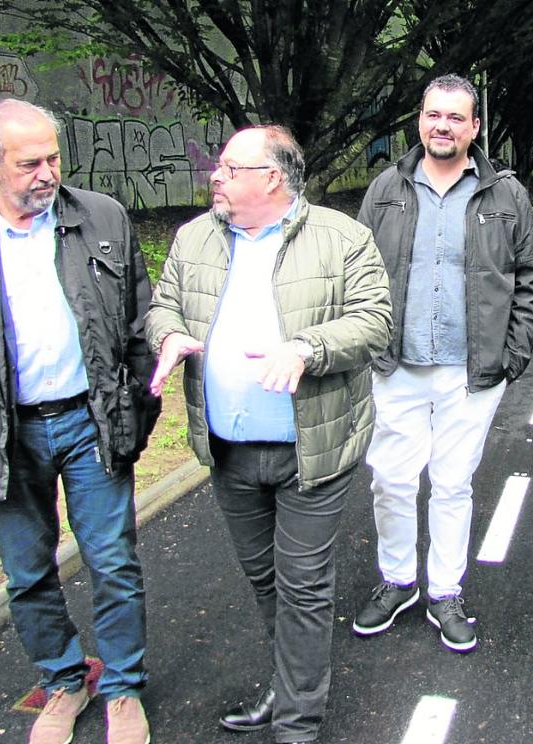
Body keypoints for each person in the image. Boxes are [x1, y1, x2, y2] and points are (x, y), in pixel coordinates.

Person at [0, 98, 160, 744]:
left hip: (91, 421)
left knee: (113, 561)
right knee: (26, 571)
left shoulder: (102, 218)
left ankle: (123, 688)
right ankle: (65, 681)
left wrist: (137, 410)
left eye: (53, 158)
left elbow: (141, 324)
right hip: (6, 435)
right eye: (29, 163)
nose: (47, 173)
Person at [145, 125, 391, 744]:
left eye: (231, 168)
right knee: (266, 581)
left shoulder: (342, 237)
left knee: (303, 588)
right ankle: (288, 686)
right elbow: (164, 303)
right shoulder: (194, 237)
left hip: (313, 450)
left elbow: (374, 322)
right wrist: (168, 334)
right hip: (227, 449)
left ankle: (297, 726)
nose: (216, 177)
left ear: (273, 178)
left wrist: (306, 347)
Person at [352, 73, 533, 653]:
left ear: (474, 127)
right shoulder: (385, 188)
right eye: (434, 114)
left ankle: (445, 591)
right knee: (390, 480)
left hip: (471, 372)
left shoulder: (505, 195)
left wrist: (513, 354)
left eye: (456, 117)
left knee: (453, 483)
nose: (443, 126)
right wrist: (367, 343)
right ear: (420, 120)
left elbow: (529, 278)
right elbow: (358, 271)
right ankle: (397, 581)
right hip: (396, 365)